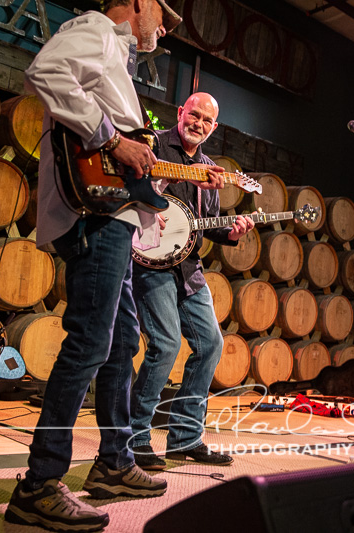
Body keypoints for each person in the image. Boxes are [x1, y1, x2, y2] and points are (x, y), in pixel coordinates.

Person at [3, 2, 198, 531]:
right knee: (91, 340)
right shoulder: (95, 29)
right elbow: (46, 71)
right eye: (162, 12)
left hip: (115, 214)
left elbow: (127, 154)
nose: (165, 27)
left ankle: (113, 462)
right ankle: (39, 484)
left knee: (122, 340)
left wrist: (143, 181)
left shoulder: (118, 54)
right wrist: (111, 139)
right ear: (137, 1)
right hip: (95, 215)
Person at [130, 93, 255, 469]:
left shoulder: (210, 168)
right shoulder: (154, 145)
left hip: (189, 268)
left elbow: (206, 225)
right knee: (166, 345)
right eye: (193, 115)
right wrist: (158, 193)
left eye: (206, 120)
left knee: (211, 345)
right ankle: (134, 438)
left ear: (214, 128)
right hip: (152, 263)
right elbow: (132, 191)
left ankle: (185, 438)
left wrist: (232, 233)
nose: (198, 123)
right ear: (180, 112)